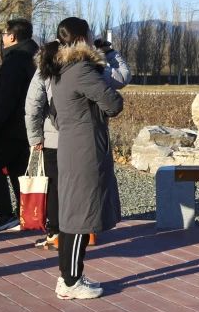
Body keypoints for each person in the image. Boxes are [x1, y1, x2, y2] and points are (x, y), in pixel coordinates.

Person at [36, 17, 123, 299]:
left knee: (75, 213)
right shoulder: (81, 69)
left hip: (72, 146)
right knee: (79, 217)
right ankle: (71, 281)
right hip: (85, 150)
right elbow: (114, 104)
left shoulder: (59, 69)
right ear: (82, 38)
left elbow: (54, 114)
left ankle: (69, 277)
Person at [24, 35, 129, 250]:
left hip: (54, 137)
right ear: (81, 40)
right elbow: (121, 77)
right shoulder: (89, 67)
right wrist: (110, 53)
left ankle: (58, 234)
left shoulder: (48, 64)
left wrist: (35, 137)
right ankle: (87, 232)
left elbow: (34, 103)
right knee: (84, 189)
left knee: (57, 189)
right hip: (85, 138)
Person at [0, 18, 39, 233]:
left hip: (9, 127)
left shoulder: (15, 59)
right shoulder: (35, 57)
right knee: (17, 170)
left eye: (4, 34)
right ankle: (24, 214)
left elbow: (6, 98)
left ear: (12, 36)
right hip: (26, 126)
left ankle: (4, 215)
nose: (3, 38)